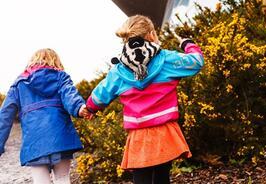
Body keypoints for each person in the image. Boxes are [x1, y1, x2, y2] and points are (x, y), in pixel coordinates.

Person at [86, 15, 204, 184]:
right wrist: (188, 44)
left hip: (139, 133)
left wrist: (90, 108)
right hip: (165, 130)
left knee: (141, 176)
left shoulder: (119, 70)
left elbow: (100, 94)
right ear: (151, 35)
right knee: (162, 175)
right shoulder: (166, 59)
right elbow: (196, 62)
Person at [0, 48, 90, 184]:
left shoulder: (19, 83)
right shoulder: (61, 77)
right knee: (62, 179)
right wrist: (79, 107)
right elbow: (69, 94)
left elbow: (5, 116)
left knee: (40, 181)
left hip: (35, 144)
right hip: (61, 139)